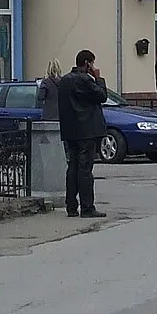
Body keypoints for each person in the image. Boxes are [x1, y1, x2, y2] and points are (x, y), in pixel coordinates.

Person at [56, 49, 110, 219]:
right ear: (87, 63)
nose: (93, 66)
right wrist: (99, 78)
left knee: (72, 167)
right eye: (92, 63)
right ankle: (87, 207)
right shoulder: (85, 80)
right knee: (85, 170)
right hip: (86, 131)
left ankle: (71, 206)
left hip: (70, 130)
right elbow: (102, 96)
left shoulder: (64, 81)